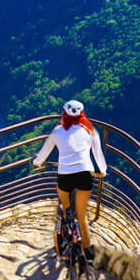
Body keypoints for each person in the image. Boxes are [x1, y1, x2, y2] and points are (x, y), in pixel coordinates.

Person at [32, 100, 106, 262]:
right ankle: (88, 253)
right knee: (82, 216)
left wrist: (36, 162)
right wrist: (102, 170)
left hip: (65, 176)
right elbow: (98, 153)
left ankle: (66, 222)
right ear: (82, 113)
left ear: (64, 113)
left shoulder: (57, 131)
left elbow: (43, 153)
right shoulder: (90, 130)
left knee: (65, 206)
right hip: (85, 174)